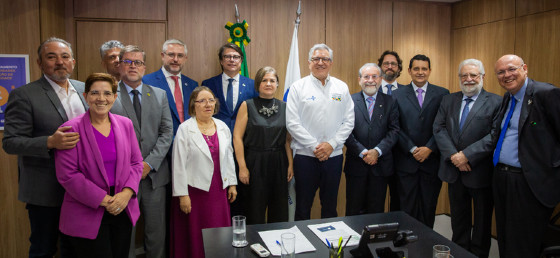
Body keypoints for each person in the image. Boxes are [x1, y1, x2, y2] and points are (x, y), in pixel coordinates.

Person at [2, 37, 86, 258]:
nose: (60, 62)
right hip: (46, 190)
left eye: (65, 56)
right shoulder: (24, 95)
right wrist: (49, 142)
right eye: (51, 57)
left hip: (84, 187)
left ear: (73, 62)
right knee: (44, 248)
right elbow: (10, 142)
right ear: (39, 63)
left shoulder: (85, 90)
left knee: (76, 248)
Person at [54, 73, 143, 258]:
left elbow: (136, 163)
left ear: (114, 97)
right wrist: (105, 200)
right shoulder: (71, 128)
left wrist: (126, 194)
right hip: (86, 210)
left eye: (107, 93)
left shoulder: (125, 124)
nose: (101, 99)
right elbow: (68, 175)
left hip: (122, 206)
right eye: (95, 93)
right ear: (85, 96)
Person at [491, 54, 560, 258]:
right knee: (505, 237)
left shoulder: (546, 94)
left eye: (512, 69)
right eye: (501, 72)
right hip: (503, 178)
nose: (507, 75)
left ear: (525, 68)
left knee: (523, 242)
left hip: (529, 182)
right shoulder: (508, 97)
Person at [109, 45, 173, 258]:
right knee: (125, 233)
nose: (132, 66)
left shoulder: (159, 94)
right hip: (122, 177)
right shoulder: (109, 95)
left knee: (156, 233)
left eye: (137, 62)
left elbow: (166, 132)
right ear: (119, 65)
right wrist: (134, 168)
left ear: (144, 67)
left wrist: (148, 164)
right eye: (127, 61)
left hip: (154, 176)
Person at [433, 59, 501, 258]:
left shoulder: (496, 101)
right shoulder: (449, 100)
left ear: (482, 76)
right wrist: (455, 156)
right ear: (459, 78)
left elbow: (494, 135)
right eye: (464, 76)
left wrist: (467, 156)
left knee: (481, 223)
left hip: (480, 172)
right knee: (459, 221)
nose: (469, 79)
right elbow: (439, 128)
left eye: (473, 75)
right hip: (455, 171)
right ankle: (459, 252)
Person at [286, 43, 354, 220]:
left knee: (330, 206)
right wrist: (316, 147)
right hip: (305, 157)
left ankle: (328, 246)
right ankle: (302, 245)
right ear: (309, 62)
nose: (320, 62)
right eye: (316, 59)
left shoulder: (342, 87)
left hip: (334, 156)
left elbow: (349, 121)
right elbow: (292, 123)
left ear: (331, 63)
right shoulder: (297, 87)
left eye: (325, 59)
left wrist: (331, 145)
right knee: (303, 206)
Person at [171, 86, 238, 258]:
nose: (208, 104)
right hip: (194, 191)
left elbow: (228, 157)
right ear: (194, 105)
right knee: (196, 233)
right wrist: (182, 195)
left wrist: (232, 184)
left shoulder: (222, 126)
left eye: (211, 100)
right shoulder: (185, 129)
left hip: (218, 189)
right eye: (202, 101)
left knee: (218, 230)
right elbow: (178, 164)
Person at [392, 54, 449, 228]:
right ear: (409, 71)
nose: (420, 72)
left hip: (431, 162)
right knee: (405, 210)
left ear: (430, 71)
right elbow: (395, 127)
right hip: (405, 161)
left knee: (428, 208)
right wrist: (412, 148)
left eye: (424, 69)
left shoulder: (442, 94)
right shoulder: (396, 95)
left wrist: (429, 148)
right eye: (416, 68)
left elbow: (443, 125)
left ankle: (426, 247)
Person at [232, 66, 293, 224]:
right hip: (254, 162)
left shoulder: (285, 107)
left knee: (279, 210)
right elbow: (237, 138)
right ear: (258, 83)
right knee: (254, 209)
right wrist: (242, 167)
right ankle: (254, 246)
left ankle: (277, 245)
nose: (268, 83)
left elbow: (287, 140)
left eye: (272, 80)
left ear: (277, 84)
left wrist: (290, 165)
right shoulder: (247, 105)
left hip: (279, 162)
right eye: (264, 80)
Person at [344, 63, 399, 216]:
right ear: (359, 80)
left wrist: (377, 151)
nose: (370, 80)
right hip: (356, 165)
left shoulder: (390, 101)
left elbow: (394, 130)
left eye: (374, 76)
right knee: (353, 209)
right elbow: (345, 131)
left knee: (376, 210)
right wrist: (362, 152)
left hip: (380, 166)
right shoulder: (349, 101)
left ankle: (373, 240)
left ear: (380, 79)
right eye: (366, 77)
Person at [143, 39, 198, 135]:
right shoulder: (147, 82)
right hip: (160, 143)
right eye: (171, 55)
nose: (175, 59)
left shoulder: (193, 85)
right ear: (163, 56)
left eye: (180, 56)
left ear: (185, 58)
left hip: (188, 142)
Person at [202, 43, 258, 132]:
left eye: (236, 57)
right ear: (221, 61)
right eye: (227, 56)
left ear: (241, 61)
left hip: (244, 137)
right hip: (215, 135)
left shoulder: (252, 85)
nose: (232, 60)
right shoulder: (208, 84)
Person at [377, 50, 405, 212]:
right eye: (386, 63)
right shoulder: (370, 89)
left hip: (401, 156)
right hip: (377, 156)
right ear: (380, 67)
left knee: (399, 200)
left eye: (393, 64)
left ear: (399, 68)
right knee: (375, 202)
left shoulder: (407, 92)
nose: (389, 67)